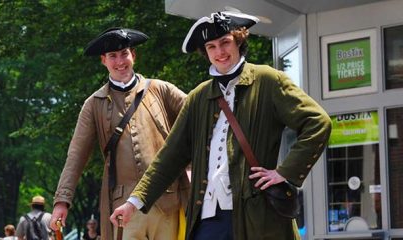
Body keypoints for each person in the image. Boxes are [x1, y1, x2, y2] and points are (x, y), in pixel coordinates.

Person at [110, 12, 331, 239]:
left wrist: (285, 172)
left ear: (238, 41)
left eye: (225, 43)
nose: (220, 52)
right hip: (208, 218)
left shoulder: (267, 80)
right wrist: (133, 203)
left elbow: (318, 122)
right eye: (211, 46)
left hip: (257, 217)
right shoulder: (199, 97)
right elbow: (169, 157)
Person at [51, 27, 190, 240]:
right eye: (112, 56)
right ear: (103, 61)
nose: (120, 61)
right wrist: (62, 201)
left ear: (133, 55)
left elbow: (198, 119)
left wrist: (193, 167)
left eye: (124, 54)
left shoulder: (161, 89)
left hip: (168, 201)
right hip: (122, 210)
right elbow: (76, 156)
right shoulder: (93, 104)